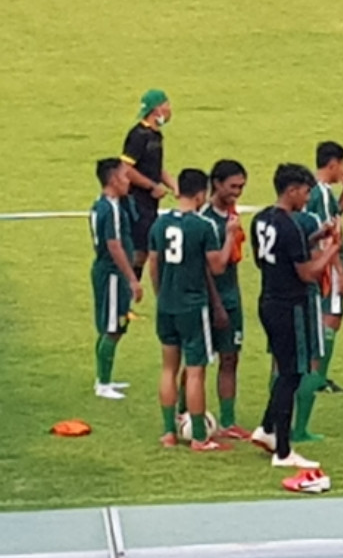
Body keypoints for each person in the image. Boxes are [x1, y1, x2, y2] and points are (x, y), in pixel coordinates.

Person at [250, 164, 340, 474]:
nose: (307, 198)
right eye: (304, 191)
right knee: (291, 374)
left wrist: (317, 235)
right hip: (291, 306)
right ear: (291, 190)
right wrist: (332, 249)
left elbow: (270, 256)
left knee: (283, 368)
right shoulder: (289, 226)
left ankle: (266, 428)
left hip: (268, 300)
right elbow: (307, 272)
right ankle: (284, 450)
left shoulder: (262, 219)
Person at [150, 169, 233, 451]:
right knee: (195, 371)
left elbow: (154, 264)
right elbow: (218, 266)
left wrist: (161, 295)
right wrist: (231, 236)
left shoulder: (159, 224)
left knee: (168, 369)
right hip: (193, 307)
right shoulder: (203, 226)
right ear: (201, 194)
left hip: (166, 305)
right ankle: (199, 437)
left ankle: (168, 432)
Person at [296, 142, 343, 440]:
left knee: (331, 320)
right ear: (332, 164)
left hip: (327, 264)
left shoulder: (321, 193)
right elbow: (323, 236)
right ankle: (317, 377)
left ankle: (318, 375)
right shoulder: (318, 192)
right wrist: (339, 272)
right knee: (328, 322)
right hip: (329, 266)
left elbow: (334, 215)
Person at [203, 161, 249, 438]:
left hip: (232, 297)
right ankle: (186, 413)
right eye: (233, 186)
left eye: (242, 187)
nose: (238, 192)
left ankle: (228, 421)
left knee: (230, 358)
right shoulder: (207, 220)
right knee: (198, 362)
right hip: (211, 300)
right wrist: (217, 305)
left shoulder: (231, 215)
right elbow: (209, 268)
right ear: (217, 184)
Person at [90, 158, 141, 400]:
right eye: (124, 176)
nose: (128, 180)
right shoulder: (111, 209)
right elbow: (114, 245)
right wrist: (132, 278)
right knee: (112, 327)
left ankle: (104, 378)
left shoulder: (101, 205)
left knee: (110, 324)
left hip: (105, 270)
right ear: (112, 180)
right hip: (112, 274)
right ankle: (103, 383)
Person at [121, 89, 177, 279]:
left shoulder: (156, 135)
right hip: (137, 202)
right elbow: (126, 169)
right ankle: (126, 296)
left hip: (150, 203)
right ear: (157, 110)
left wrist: (174, 186)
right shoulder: (138, 135)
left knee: (144, 251)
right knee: (138, 252)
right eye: (167, 105)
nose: (170, 109)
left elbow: (156, 168)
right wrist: (152, 187)